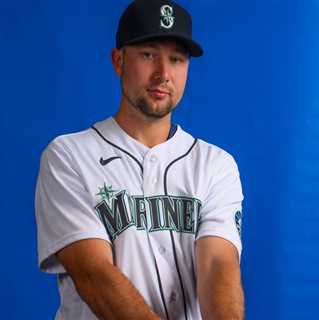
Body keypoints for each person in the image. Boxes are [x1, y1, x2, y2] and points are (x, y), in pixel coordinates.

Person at [34, 1, 245, 319]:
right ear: (118, 61)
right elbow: (94, 274)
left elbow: (218, 264)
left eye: (176, 59)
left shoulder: (216, 164)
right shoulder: (69, 156)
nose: (164, 74)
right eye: (148, 55)